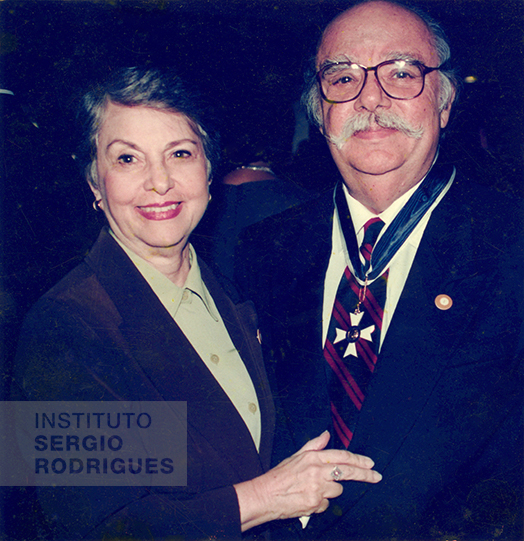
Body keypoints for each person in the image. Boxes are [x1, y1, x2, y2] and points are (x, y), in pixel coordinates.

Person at [9, 67, 382, 540]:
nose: (159, 182)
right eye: (127, 159)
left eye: (180, 154)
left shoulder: (223, 289)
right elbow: (103, 526)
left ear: (209, 170)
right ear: (94, 183)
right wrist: (267, 497)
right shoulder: (66, 324)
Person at [236, 2, 523, 539]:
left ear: (444, 102)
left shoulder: (511, 244)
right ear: (320, 111)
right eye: (342, 77)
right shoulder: (265, 249)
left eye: (401, 73)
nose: (370, 97)